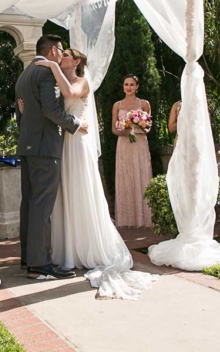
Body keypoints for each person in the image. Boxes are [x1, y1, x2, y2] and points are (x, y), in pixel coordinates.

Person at [33, 49, 156, 299]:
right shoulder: (58, 81)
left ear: (76, 62)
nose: (61, 57)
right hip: (63, 142)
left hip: (79, 141)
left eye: (66, 54)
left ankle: (87, 246)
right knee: (65, 191)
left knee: (80, 188)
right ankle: (68, 248)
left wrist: (49, 65)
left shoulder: (81, 81)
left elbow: (70, 95)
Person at [15, 34, 88, 280]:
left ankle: (28, 257)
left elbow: (21, 113)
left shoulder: (24, 74)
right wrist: (75, 124)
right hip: (45, 146)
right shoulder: (46, 73)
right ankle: (40, 262)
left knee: (29, 202)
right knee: (42, 205)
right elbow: (50, 109)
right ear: (54, 50)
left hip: (26, 146)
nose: (62, 53)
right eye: (61, 50)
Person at [112, 75, 152, 228]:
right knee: (126, 177)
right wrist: (124, 131)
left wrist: (138, 124)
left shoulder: (144, 104)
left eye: (132, 84)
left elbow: (148, 127)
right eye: (126, 84)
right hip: (123, 144)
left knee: (141, 175)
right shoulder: (117, 105)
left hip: (140, 143)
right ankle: (126, 220)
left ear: (137, 87)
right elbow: (113, 129)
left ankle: (144, 219)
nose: (128, 87)